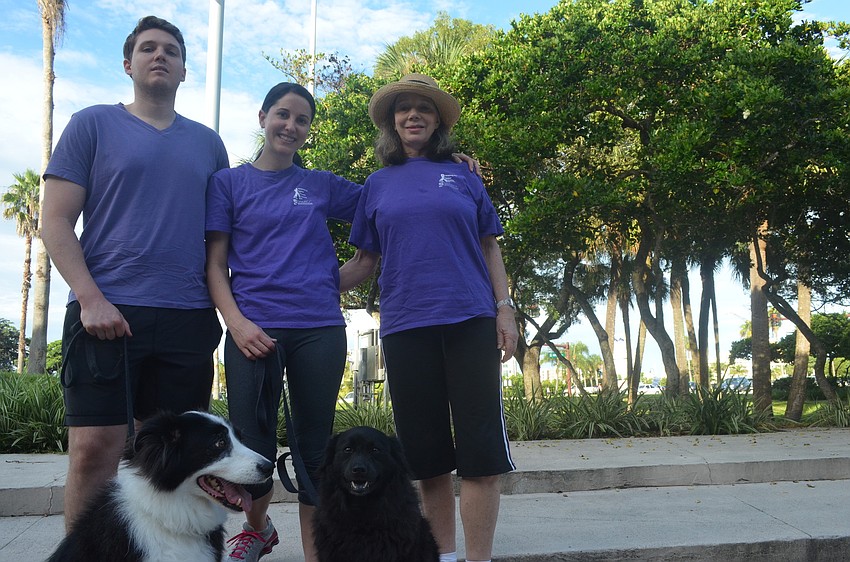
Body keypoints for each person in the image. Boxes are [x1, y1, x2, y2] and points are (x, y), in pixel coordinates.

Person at [41, 15, 228, 533]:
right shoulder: (92, 124)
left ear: (184, 70)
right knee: (93, 451)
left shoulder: (209, 144)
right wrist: (90, 297)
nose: (159, 55)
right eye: (147, 48)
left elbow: (219, 240)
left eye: (170, 49)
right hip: (106, 312)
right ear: (128, 64)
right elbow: (54, 220)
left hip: (187, 319)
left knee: (172, 460)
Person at [340, 73, 519, 562]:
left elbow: (489, 246)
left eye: (424, 108)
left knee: (481, 457)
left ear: (438, 121)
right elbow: (362, 263)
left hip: (469, 323)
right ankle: (440, 557)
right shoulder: (375, 185)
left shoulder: (464, 176)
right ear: (392, 123)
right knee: (428, 460)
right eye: (404, 109)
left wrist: (505, 310)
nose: (413, 114)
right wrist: (298, 288)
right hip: (405, 328)